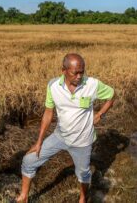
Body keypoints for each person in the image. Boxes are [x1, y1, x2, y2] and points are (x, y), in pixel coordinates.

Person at [16, 53, 115, 203]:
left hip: (82, 141)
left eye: (82, 71)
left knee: (83, 174)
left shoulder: (92, 84)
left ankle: (83, 198)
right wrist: (39, 141)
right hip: (59, 136)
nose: (79, 76)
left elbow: (111, 95)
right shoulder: (53, 86)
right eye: (75, 72)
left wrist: (100, 114)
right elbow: (48, 113)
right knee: (29, 161)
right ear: (63, 70)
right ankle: (23, 197)